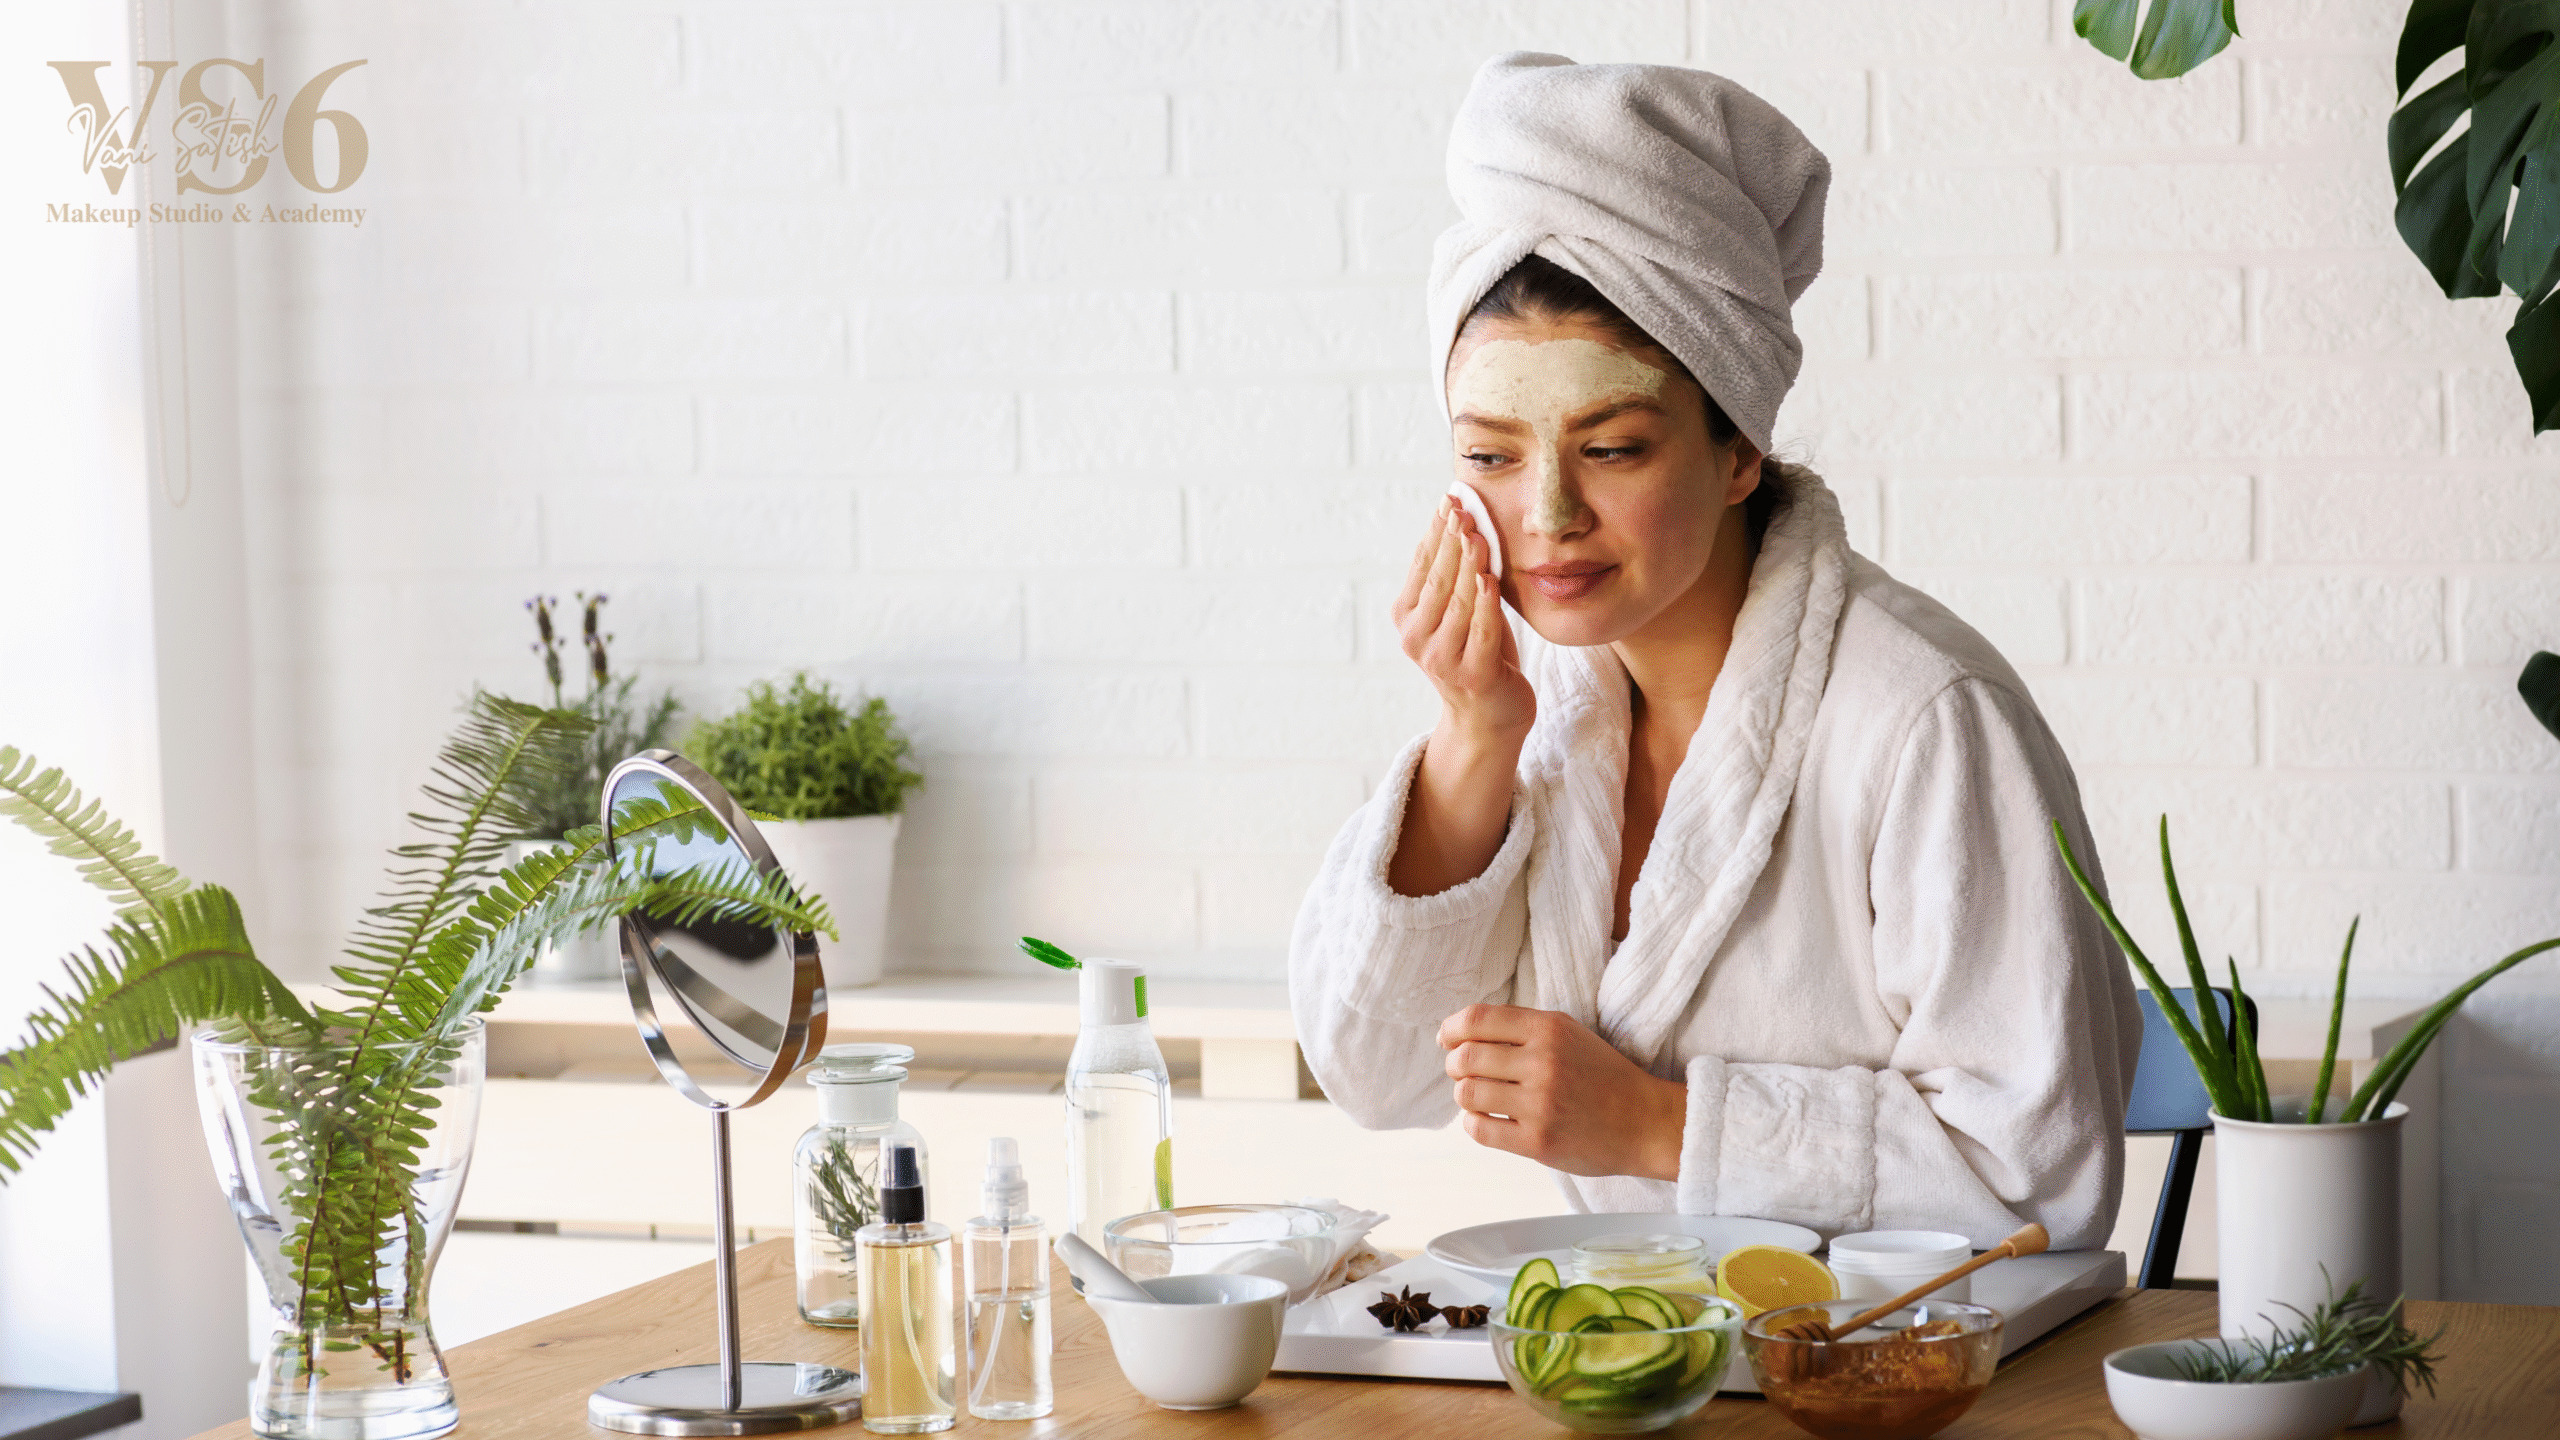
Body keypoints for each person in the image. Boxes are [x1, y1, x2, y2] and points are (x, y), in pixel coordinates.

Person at [1288, 53, 2140, 1249]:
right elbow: (1374, 1076)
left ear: (1738, 451)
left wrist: (1655, 1127)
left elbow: (2034, 1184)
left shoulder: (1921, 717)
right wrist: (1472, 735)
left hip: (1915, 1388)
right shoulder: (1549, 725)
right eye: (1490, 456)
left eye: (1614, 448)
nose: (1548, 516)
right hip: (1645, 1363)